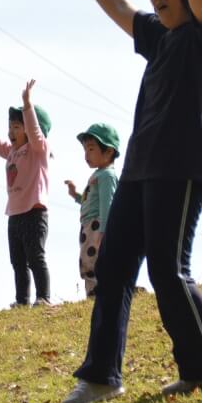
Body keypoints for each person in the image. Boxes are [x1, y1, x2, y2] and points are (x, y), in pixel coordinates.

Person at [36, 0, 202, 403]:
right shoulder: (159, 36)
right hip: (142, 170)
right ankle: (102, 375)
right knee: (115, 269)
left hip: (184, 166)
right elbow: (118, 6)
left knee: (169, 271)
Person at [0, 80, 53, 307]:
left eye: (17, 127)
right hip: (15, 214)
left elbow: (35, 133)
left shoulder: (38, 150)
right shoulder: (12, 152)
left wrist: (27, 105)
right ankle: (22, 300)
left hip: (34, 212)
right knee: (17, 261)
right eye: (10, 126)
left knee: (35, 257)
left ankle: (44, 296)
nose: (11, 131)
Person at [64, 123, 120, 298]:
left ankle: (99, 293)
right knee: (87, 261)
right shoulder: (99, 174)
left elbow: (107, 204)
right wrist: (76, 196)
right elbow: (91, 201)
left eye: (91, 149)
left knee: (93, 261)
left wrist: (104, 230)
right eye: (85, 150)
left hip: (97, 226)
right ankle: (93, 293)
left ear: (109, 151)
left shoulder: (107, 175)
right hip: (89, 226)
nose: (86, 155)